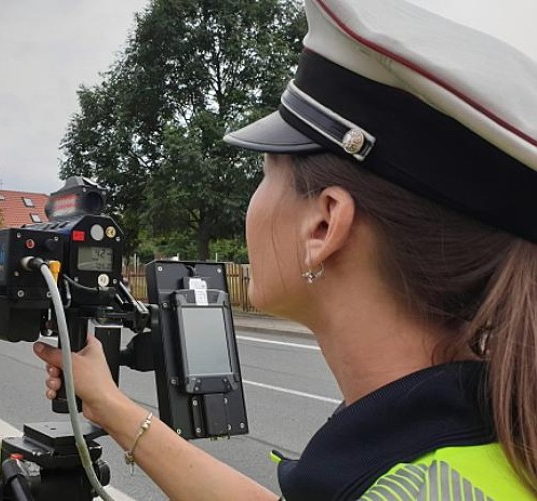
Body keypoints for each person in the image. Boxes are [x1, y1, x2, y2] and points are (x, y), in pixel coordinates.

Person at [34, 0, 537, 498]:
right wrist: (107, 403)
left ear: (323, 225)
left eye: (264, 173)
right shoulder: (476, 433)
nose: (251, 206)